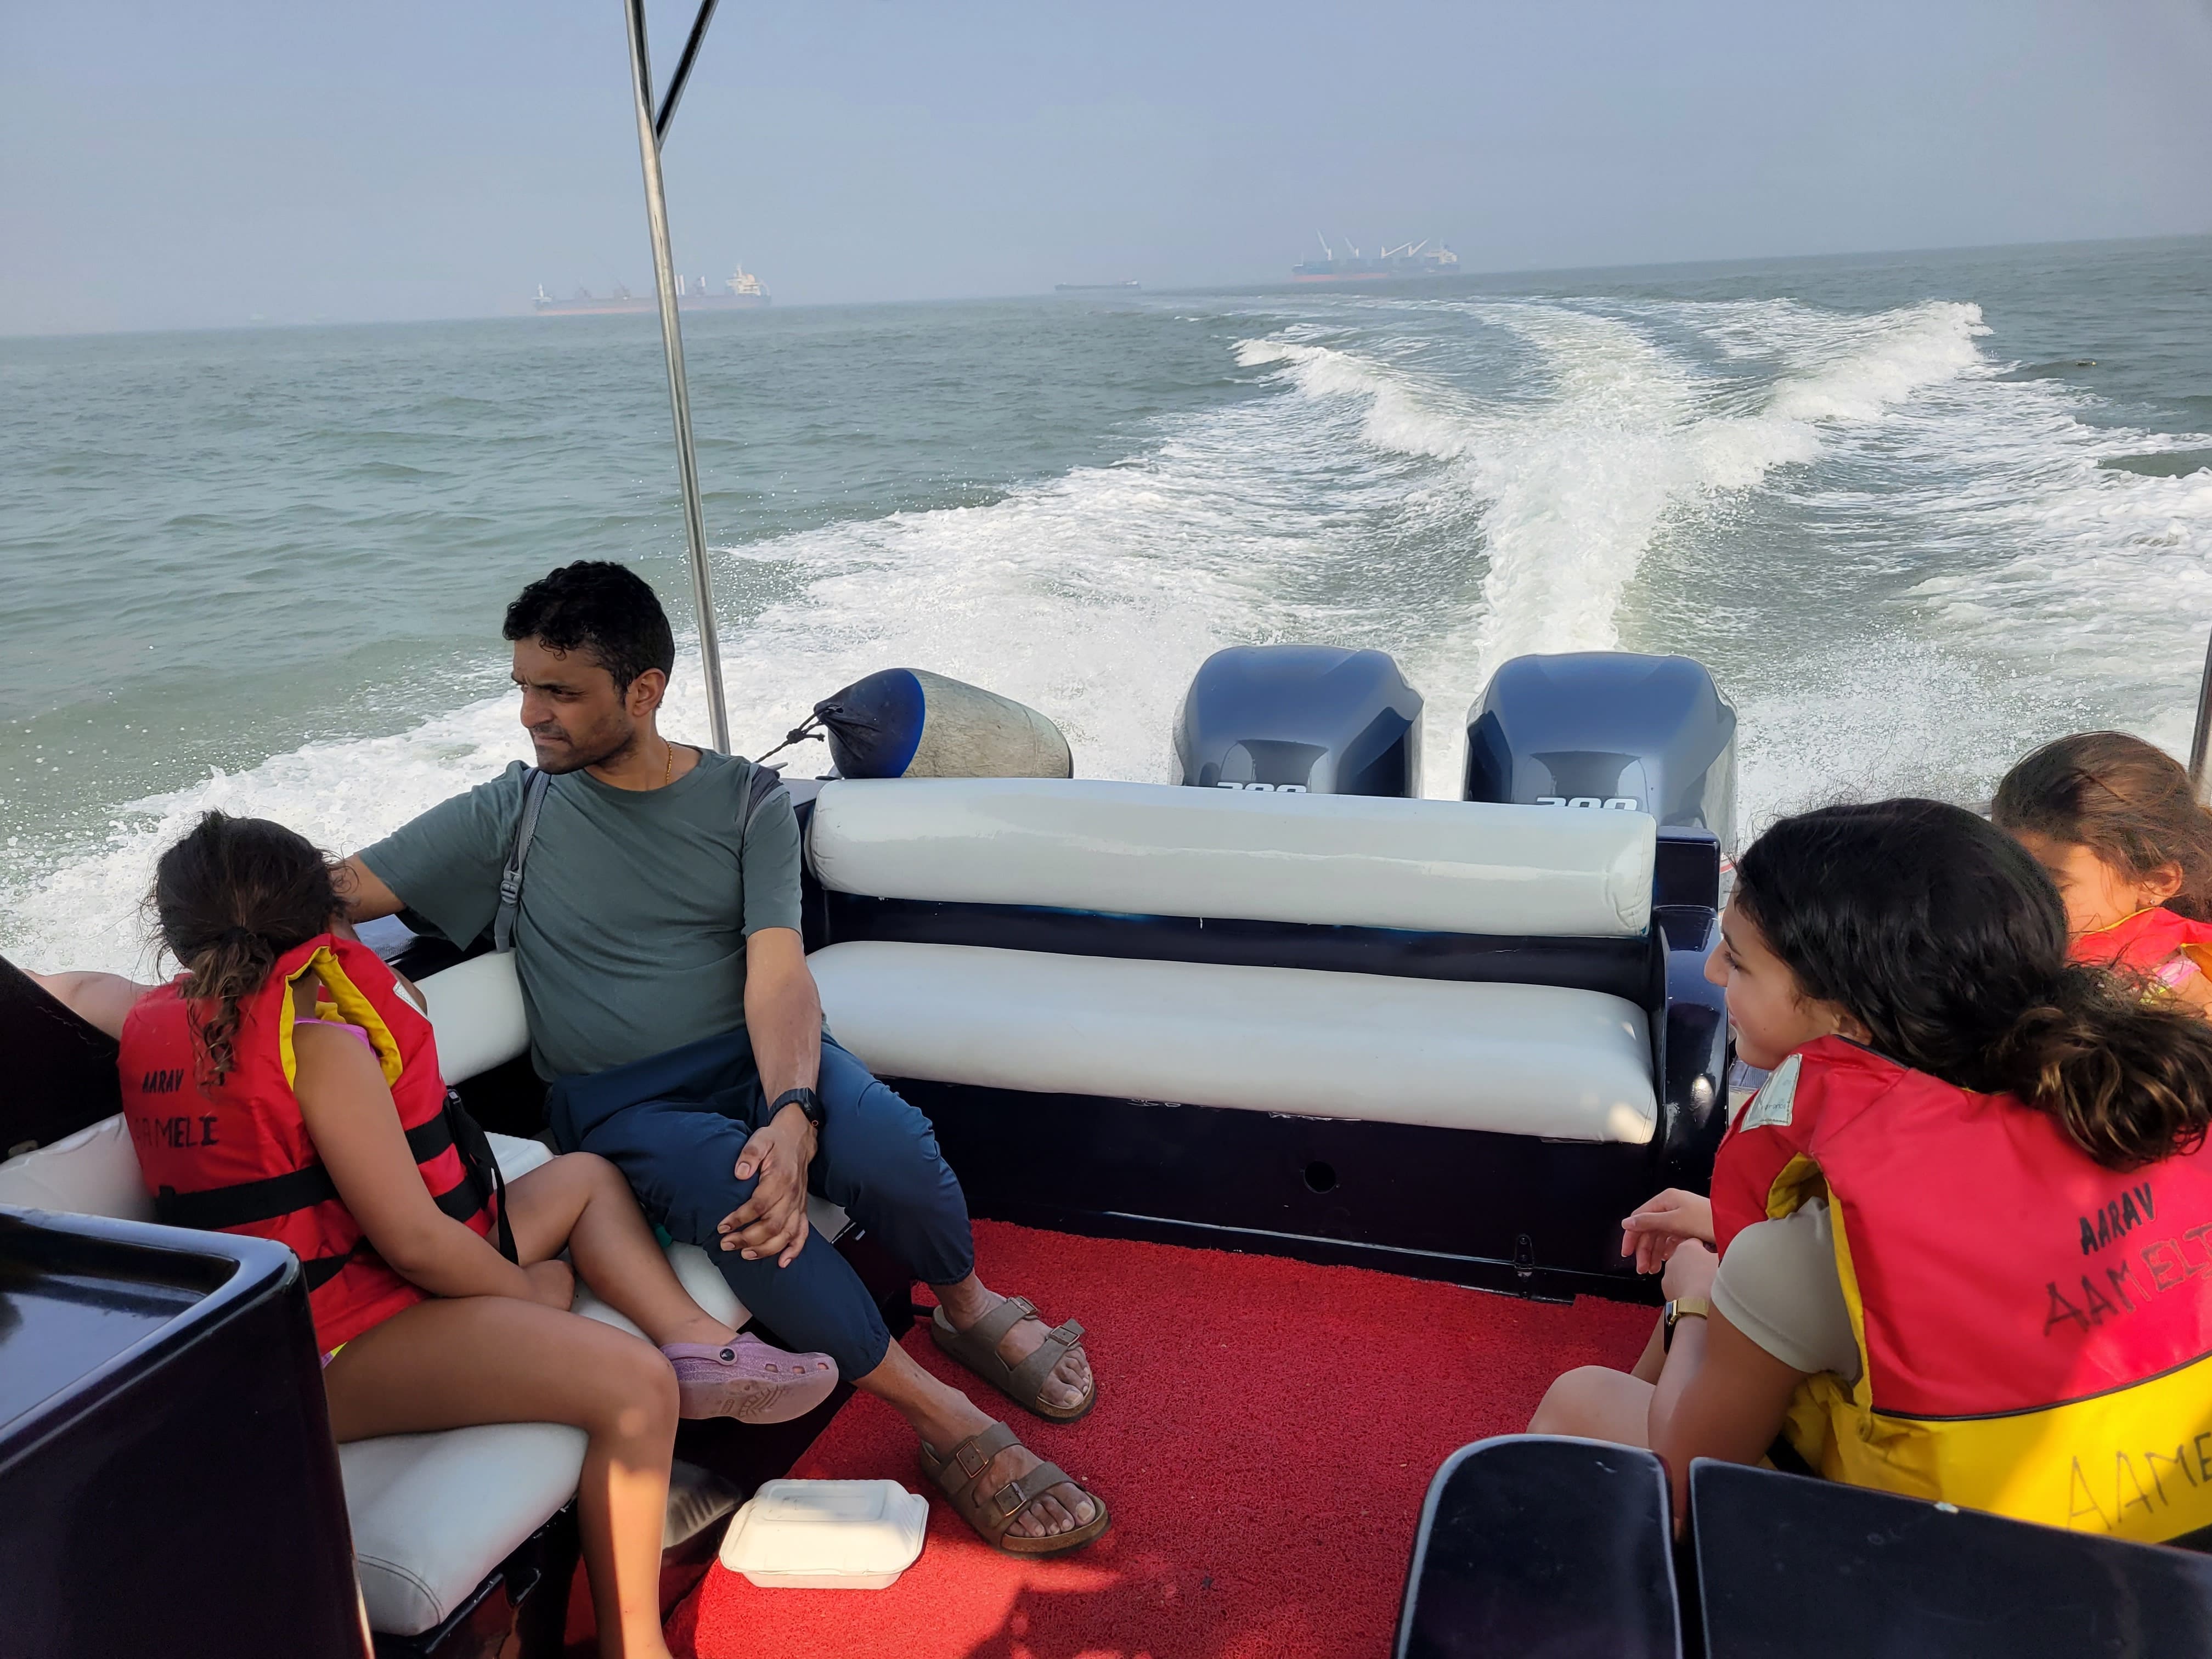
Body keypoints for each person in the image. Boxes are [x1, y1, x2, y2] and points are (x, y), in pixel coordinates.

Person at [336, 560, 1108, 1556]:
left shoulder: (746, 801)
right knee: (753, 1213)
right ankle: (942, 1417)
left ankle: (964, 1307)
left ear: (643, 690)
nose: (530, 713)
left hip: (762, 1058)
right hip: (624, 1105)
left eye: (559, 690)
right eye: (523, 685)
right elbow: (342, 886)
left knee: (896, 1154)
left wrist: (793, 1113)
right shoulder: (511, 809)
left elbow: (779, 974)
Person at [99, 810, 835, 1659]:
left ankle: (699, 1348)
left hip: (319, 1304)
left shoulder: (146, 1020)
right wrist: (531, 1294)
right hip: (323, 1354)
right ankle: (636, 1647)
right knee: (633, 1386)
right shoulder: (318, 1045)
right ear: (319, 916)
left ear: (176, 933)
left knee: (586, 1180)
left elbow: (71, 989)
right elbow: (414, 1242)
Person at [1528, 798, 2212, 1545]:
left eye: (1741, 958)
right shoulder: (2142, 1104)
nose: (1714, 969)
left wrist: (1698, 1293)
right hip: (2165, 1572)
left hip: (1942, 1594)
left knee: (1585, 1400)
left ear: (1847, 1024)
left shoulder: (1798, 1260)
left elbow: (1684, 1476)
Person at [1994, 730, 2212, 1011]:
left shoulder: (2179, 1006)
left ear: (2155, 882)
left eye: (2051, 888)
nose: (2012, 905)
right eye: (2002, 875)